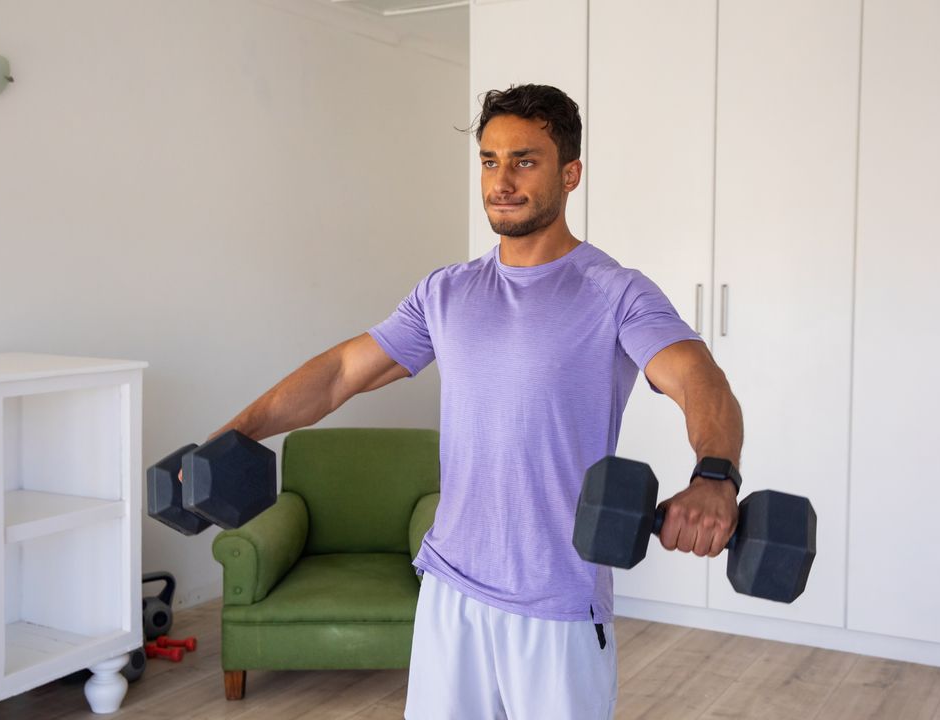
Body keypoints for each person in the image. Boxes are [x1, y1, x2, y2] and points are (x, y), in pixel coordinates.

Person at [210, 84, 744, 719]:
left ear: (570, 173)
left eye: (525, 160)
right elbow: (339, 375)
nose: (502, 180)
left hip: (555, 603)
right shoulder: (447, 292)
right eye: (490, 160)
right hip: (449, 589)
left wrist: (715, 474)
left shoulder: (614, 293)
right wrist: (237, 434)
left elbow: (698, 378)